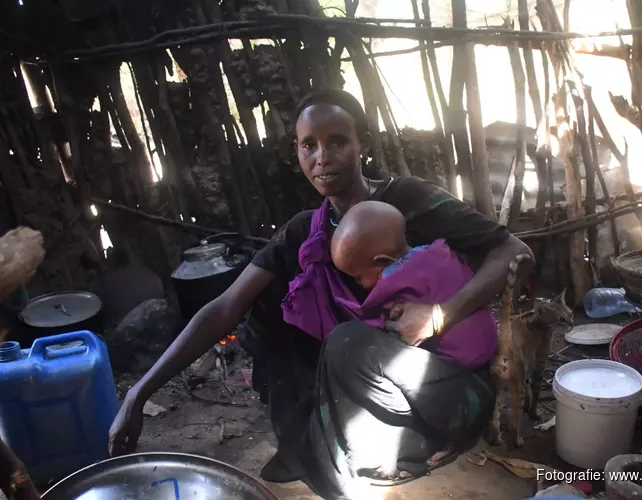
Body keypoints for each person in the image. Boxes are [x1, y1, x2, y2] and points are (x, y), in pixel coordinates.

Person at [108, 88, 534, 499]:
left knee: (347, 342)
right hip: (370, 388)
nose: (322, 158)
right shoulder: (305, 232)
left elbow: (515, 251)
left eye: (336, 142)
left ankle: (356, 454)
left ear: (361, 144)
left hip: (446, 389)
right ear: (296, 152)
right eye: (307, 145)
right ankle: (351, 444)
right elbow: (225, 307)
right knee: (269, 309)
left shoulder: (408, 201)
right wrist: (137, 393)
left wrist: (440, 314)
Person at [326, 200, 498, 368]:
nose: (360, 284)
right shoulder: (440, 252)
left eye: (358, 277)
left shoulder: (392, 282)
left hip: (457, 359)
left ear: (383, 261)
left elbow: (368, 318)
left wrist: (341, 302)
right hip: (489, 342)